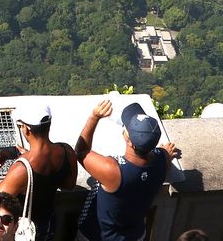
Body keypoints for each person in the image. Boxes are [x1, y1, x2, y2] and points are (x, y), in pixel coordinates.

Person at [73, 100, 179, 241]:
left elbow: (81, 151)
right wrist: (165, 152)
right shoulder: (162, 161)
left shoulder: (113, 170)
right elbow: (163, 153)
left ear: (129, 141)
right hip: (135, 236)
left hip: (98, 236)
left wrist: (94, 117)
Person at [0, 103, 78, 241]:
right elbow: (69, 185)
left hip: (25, 232)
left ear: (26, 129)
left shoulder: (22, 169)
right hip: (49, 225)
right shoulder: (67, 151)